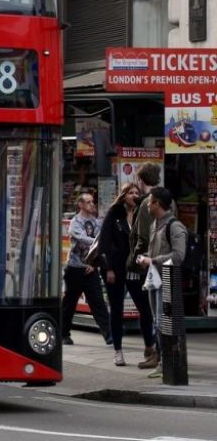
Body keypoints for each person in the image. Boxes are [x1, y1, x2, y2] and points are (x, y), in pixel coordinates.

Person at [126, 162, 172, 370]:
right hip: (166, 261)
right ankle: (164, 354)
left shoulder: (149, 203)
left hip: (152, 264)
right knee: (163, 312)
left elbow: (143, 237)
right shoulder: (167, 199)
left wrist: (135, 260)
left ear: (141, 180)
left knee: (155, 313)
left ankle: (158, 354)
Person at [98, 182, 150, 366]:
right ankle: (118, 350)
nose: (134, 195)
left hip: (135, 268)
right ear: (124, 195)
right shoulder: (115, 213)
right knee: (117, 308)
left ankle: (149, 346)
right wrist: (108, 268)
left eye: (137, 193)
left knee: (144, 307)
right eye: (130, 192)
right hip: (116, 267)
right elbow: (104, 242)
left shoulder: (140, 213)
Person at [138, 187, 186, 378]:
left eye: (150, 201)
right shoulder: (154, 224)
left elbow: (179, 255)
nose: (147, 204)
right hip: (154, 280)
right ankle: (164, 361)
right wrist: (145, 259)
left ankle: (168, 363)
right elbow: (154, 252)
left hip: (168, 279)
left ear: (157, 204)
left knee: (165, 323)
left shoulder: (174, 226)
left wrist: (153, 261)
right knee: (158, 322)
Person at [61, 193, 111, 346]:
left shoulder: (97, 222)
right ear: (81, 204)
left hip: (90, 269)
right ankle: (63, 334)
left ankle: (109, 334)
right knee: (69, 303)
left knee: (98, 302)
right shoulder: (75, 222)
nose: (92, 204)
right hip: (75, 268)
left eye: (92, 202)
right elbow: (82, 238)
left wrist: (94, 263)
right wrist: (99, 242)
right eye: (88, 202)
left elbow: (101, 241)